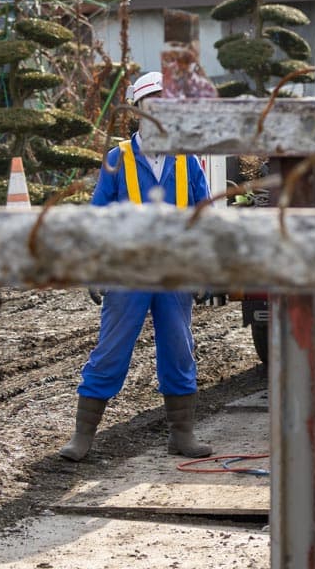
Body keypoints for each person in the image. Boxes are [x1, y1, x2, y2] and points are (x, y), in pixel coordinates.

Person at [60, 71, 213, 461]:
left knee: (179, 350)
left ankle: (182, 436)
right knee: (111, 350)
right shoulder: (118, 159)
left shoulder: (188, 159)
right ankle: (82, 438)